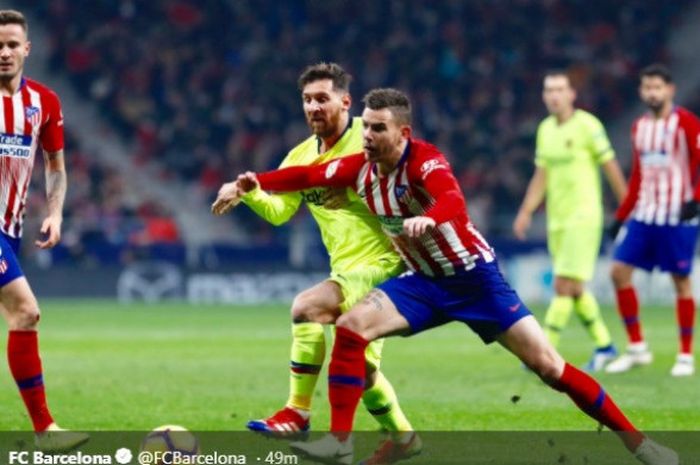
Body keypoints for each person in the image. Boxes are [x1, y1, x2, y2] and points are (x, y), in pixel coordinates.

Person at [230, 88, 677, 465]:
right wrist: (256, 182)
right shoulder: (359, 169)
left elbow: (453, 200)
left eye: (378, 128)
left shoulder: (425, 160)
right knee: (350, 329)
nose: (366, 135)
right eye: (365, 126)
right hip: (423, 283)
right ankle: (340, 441)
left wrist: (432, 219)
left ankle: (640, 444)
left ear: (403, 133)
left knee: (550, 368)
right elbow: (307, 173)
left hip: (475, 281)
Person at [212, 63, 420, 463]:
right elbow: (279, 213)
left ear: (345, 102)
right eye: (307, 100)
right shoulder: (300, 155)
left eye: (322, 98)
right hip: (348, 269)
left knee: (307, 307)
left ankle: (297, 412)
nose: (313, 107)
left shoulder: (371, 136)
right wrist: (252, 193)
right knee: (362, 372)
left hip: (387, 262)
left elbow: (403, 175)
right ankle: (405, 438)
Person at [0, 10, 88, 451]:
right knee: (26, 312)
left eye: (12, 44)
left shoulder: (44, 102)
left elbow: (55, 166)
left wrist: (54, 213)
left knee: (21, 316)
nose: (4, 52)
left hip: (10, 228)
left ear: (26, 49)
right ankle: (45, 431)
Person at [514, 71, 627, 372]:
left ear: (571, 94)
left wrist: (626, 204)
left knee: (563, 285)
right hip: (558, 219)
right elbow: (542, 175)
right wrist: (527, 210)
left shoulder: (588, 126)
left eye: (560, 89)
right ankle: (605, 346)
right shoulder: (545, 129)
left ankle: (542, 351)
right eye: (549, 89)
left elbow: (610, 165)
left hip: (584, 215)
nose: (554, 95)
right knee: (575, 288)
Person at [606, 64, 700, 377]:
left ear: (670, 90)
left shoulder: (687, 123)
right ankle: (637, 348)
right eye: (647, 88)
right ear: (641, 92)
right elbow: (637, 176)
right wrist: (621, 216)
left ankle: (685, 355)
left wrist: (696, 200)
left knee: (680, 282)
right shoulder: (639, 128)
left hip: (677, 216)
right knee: (618, 272)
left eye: (657, 87)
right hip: (645, 214)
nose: (652, 93)